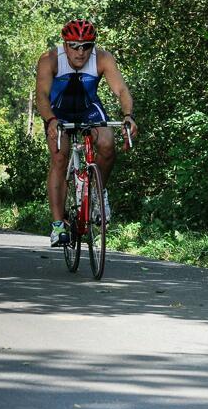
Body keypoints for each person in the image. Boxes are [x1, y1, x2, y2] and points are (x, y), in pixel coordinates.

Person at [35, 19, 138, 246]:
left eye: (86, 46)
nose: (80, 52)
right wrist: (50, 120)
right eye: (74, 46)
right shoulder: (50, 59)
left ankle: (97, 193)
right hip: (57, 113)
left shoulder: (102, 58)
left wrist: (128, 116)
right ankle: (58, 226)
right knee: (59, 156)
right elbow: (41, 95)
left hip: (89, 109)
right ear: (65, 45)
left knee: (107, 143)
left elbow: (121, 90)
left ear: (93, 45)